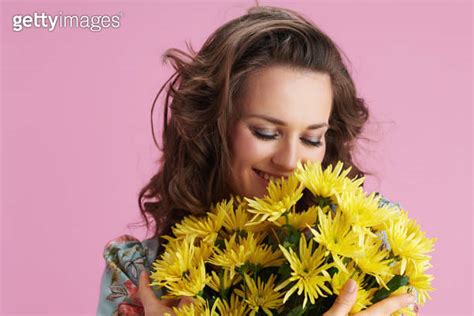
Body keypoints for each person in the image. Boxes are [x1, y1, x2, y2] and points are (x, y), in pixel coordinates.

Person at [97, 5, 417, 315]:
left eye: (311, 138)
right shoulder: (138, 275)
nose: (290, 161)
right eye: (265, 132)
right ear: (214, 129)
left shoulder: (374, 245)